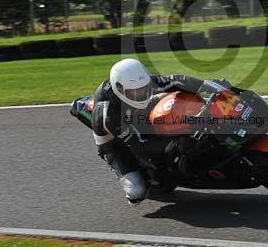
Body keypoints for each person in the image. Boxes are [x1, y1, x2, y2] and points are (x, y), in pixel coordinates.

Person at [75, 58, 203, 204]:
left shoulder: (136, 82)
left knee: (171, 101)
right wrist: (177, 143)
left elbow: (176, 80)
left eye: (143, 89)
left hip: (134, 114)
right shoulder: (110, 115)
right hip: (114, 140)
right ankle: (140, 175)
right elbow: (140, 145)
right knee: (136, 192)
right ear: (119, 89)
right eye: (133, 92)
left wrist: (208, 85)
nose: (140, 94)